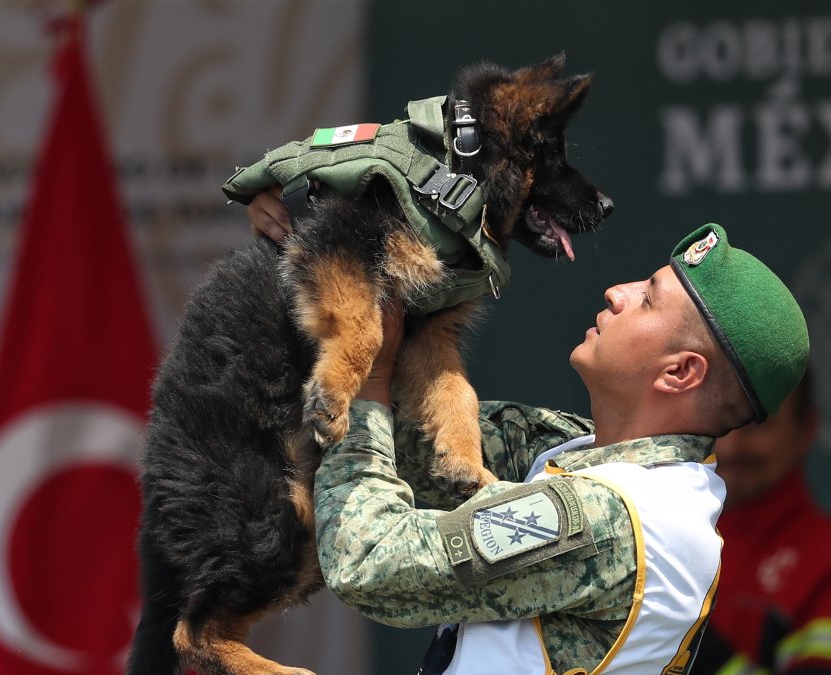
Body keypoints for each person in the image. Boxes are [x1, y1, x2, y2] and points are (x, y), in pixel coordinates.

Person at [248, 191, 810, 673]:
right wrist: (312, 237)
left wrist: (365, 374)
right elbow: (401, 437)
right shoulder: (578, 451)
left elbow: (369, 560)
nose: (617, 291)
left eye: (646, 298)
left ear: (680, 372)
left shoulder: (619, 517)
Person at [690, 369, 831, 675]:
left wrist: (689, 645)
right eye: (723, 423)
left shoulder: (823, 562)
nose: (732, 447)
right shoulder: (664, 529)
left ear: (806, 429)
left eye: (758, 424)